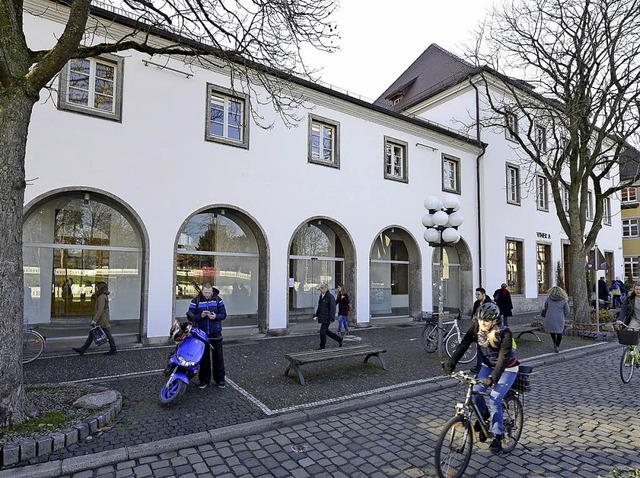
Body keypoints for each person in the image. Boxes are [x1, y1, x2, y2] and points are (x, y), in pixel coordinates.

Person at [443, 302, 518, 455]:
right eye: (480, 319)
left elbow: (503, 358)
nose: (483, 323)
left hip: (508, 368)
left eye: (487, 320)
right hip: (487, 365)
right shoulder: (477, 329)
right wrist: (451, 363)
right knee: (476, 392)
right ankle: (484, 416)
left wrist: (493, 379)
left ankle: (497, 435)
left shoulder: (505, 333)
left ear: (494, 321)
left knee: (495, 398)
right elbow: (464, 344)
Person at [187, 282, 227, 389]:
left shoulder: (218, 300)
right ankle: (204, 380)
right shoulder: (195, 301)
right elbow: (190, 317)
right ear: (202, 290)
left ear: (212, 291)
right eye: (205, 293)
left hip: (215, 333)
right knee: (204, 358)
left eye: (209, 293)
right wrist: (201, 315)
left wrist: (215, 316)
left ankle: (220, 380)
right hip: (202, 334)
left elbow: (224, 314)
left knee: (218, 357)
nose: (207, 295)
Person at [73, 281, 117, 356]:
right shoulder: (104, 296)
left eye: (97, 288)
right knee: (92, 334)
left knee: (107, 333)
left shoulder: (101, 297)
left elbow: (100, 310)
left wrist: (94, 320)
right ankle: (82, 349)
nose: (96, 289)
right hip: (103, 318)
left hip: (101, 319)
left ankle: (113, 349)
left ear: (100, 288)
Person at [470, 287, 493, 373]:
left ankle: (482, 366)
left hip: (487, 329)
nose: (477, 296)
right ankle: (480, 365)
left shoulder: (489, 303)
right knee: (480, 348)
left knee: (484, 348)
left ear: (483, 294)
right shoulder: (476, 303)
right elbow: (473, 313)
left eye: (478, 294)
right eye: (476, 294)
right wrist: (473, 318)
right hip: (478, 328)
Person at [314, 283, 343, 349]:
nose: (320, 289)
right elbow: (320, 306)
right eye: (320, 288)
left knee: (322, 331)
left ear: (326, 288)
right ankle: (339, 339)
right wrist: (317, 314)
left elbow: (332, 308)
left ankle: (322, 346)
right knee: (326, 331)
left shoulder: (330, 297)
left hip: (327, 317)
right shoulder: (321, 296)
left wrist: (332, 318)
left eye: (322, 288)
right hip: (323, 316)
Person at [542, 286, 570, 353]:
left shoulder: (549, 299)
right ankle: (557, 346)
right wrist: (564, 315)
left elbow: (545, 307)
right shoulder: (564, 300)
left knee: (552, 331)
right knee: (559, 332)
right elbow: (567, 310)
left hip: (550, 317)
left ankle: (554, 342)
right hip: (559, 317)